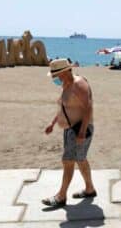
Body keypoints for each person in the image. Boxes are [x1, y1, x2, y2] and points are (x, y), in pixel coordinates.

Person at [42, 59, 96, 207]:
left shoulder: (79, 84)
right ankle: (90, 189)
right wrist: (53, 123)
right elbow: (65, 107)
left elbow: (88, 108)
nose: (55, 78)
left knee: (68, 161)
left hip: (79, 129)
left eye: (57, 75)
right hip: (70, 129)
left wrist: (82, 132)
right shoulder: (67, 84)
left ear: (65, 71)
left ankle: (61, 196)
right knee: (80, 159)